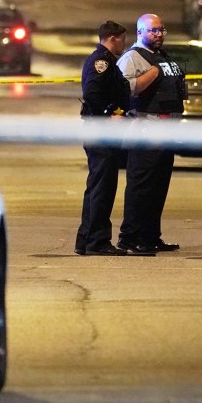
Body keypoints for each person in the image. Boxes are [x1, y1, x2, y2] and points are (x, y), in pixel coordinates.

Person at [116, 13, 185, 254]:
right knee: (140, 188)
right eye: (153, 30)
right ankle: (130, 238)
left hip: (166, 133)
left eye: (161, 30)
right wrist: (153, 73)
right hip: (144, 132)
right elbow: (125, 90)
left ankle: (150, 236)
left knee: (158, 188)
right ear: (140, 32)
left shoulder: (161, 57)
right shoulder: (132, 57)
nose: (158, 34)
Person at [75, 20, 130, 256]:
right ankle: (97, 241)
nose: (124, 44)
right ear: (113, 38)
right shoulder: (102, 62)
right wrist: (108, 117)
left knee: (96, 186)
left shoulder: (107, 61)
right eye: (122, 39)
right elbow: (92, 94)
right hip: (101, 131)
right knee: (102, 188)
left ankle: (86, 239)